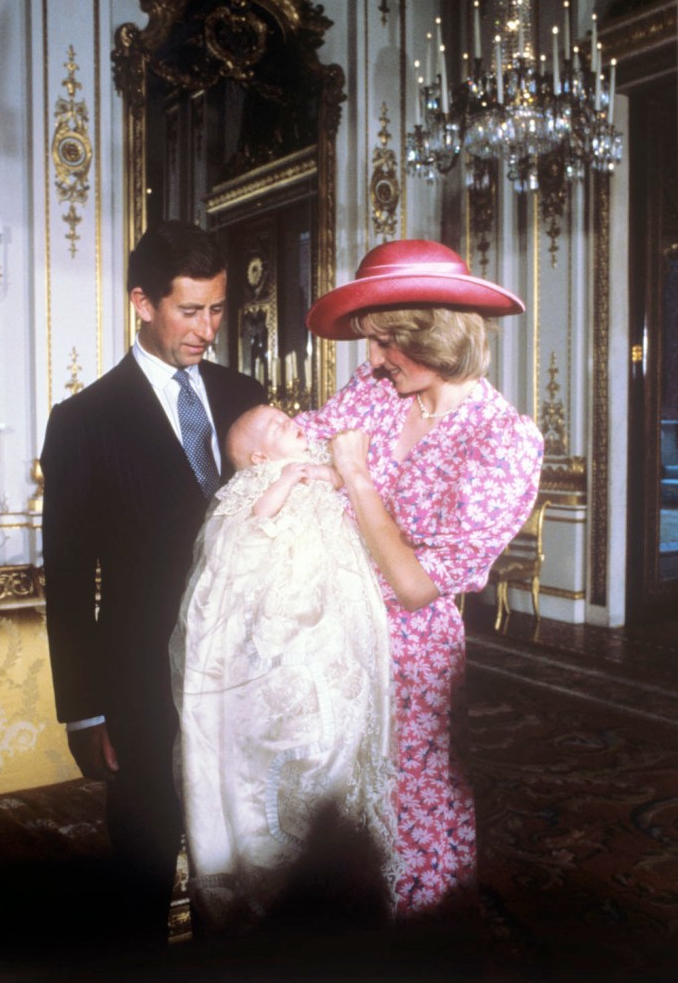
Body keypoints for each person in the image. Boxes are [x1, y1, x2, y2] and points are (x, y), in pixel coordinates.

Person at [297, 239, 544, 920]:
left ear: (433, 334)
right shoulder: (376, 392)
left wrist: (352, 475)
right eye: (371, 342)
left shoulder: (501, 441)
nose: (370, 359)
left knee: (410, 817)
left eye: (384, 343)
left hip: (411, 658)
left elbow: (412, 586)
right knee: (332, 815)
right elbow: (297, 439)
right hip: (331, 635)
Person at [40, 220, 266, 949]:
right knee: (143, 859)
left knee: (248, 855)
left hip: (246, 671)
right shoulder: (83, 422)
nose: (207, 329)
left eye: (218, 309)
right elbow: (69, 582)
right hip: (139, 683)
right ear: (142, 302)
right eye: (189, 310)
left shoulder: (244, 394)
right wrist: (82, 710)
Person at [169, 405, 397, 936]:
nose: (290, 419)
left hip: (331, 602)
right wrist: (288, 478)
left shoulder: (312, 461)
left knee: (342, 720)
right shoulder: (257, 482)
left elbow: (345, 479)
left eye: (285, 415)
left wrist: (324, 472)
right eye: (274, 426)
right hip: (282, 613)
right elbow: (254, 524)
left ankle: (341, 871)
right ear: (258, 458)